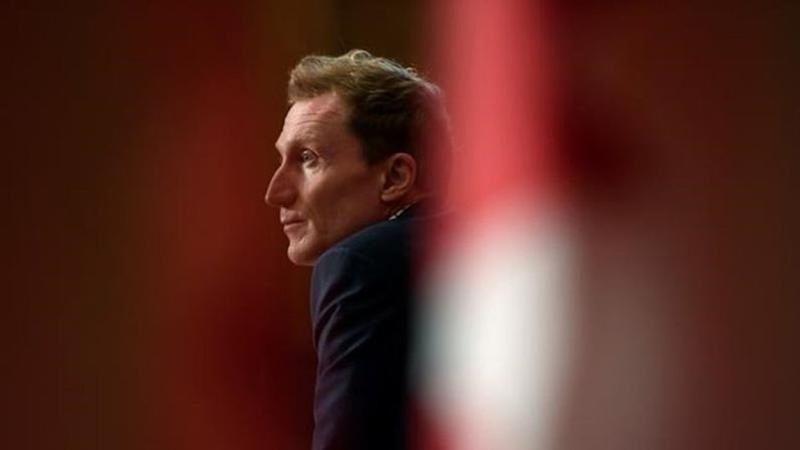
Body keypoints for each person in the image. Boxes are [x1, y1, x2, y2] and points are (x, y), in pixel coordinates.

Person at [264, 49, 452, 450]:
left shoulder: (358, 264)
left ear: (396, 176)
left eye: (307, 158)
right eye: (281, 159)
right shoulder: (481, 253)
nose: (275, 192)